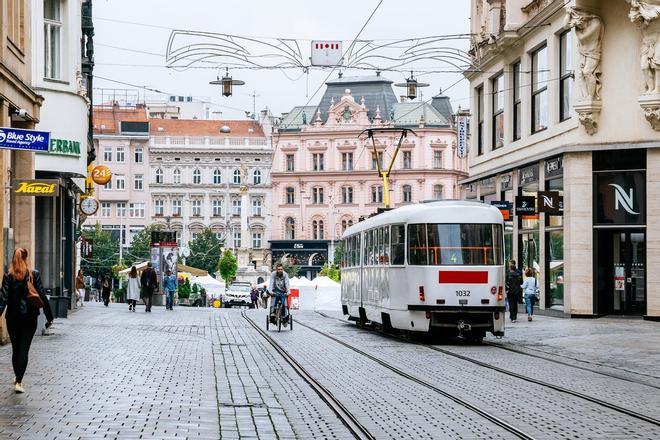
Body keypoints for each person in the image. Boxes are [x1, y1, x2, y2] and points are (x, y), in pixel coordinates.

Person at [0, 248, 54, 393]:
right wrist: (50, 317)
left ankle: (17, 376)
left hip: (12, 318)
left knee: (16, 349)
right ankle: (19, 381)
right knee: (24, 349)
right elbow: (42, 295)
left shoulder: (8, 276)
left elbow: (3, 299)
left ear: (14, 259)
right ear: (26, 258)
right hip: (29, 318)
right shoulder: (33, 274)